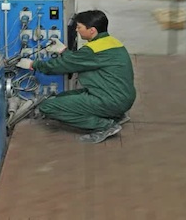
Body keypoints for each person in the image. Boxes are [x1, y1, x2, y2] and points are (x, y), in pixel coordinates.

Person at [16, 10, 135, 144]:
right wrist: (63, 50)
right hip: (121, 96)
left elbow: (63, 66)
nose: (77, 30)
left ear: (92, 30)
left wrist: (33, 64)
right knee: (61, 98)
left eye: (79, 27)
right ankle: (116, 115)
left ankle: (105, 125)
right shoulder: (111, 42)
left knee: (48, 107)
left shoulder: (92, 50)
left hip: (111, 100)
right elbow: (79, 59)